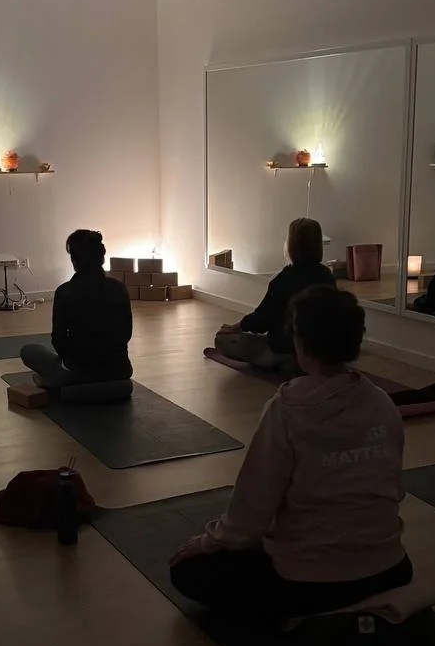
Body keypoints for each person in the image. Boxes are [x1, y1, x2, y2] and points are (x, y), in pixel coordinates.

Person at [171, 285, 413, 616]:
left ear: (300, 342)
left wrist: (206, 542)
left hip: (310, 580)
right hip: (390, 570)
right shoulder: (382, 403)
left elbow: (248, 516)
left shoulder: (287, 409)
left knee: (186, 572)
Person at [215, 217, 335, 373]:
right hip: (317, 350)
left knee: (222, 340)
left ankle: (287, 361)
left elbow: (263, 320)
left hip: (283, 347)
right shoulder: (326, 275)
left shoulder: (284, 279)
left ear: (292, 244)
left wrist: (237, 326)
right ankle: (300, 363)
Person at [21, 229, 133, 390]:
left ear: (74, 261)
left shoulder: (65, 292)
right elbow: (126, 334)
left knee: (29, 350)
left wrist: (75, 360)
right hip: (119, 369)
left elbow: (58, 339)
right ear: (102, 258)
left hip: (79, 371)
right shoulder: (119, 288)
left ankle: (55, 379)